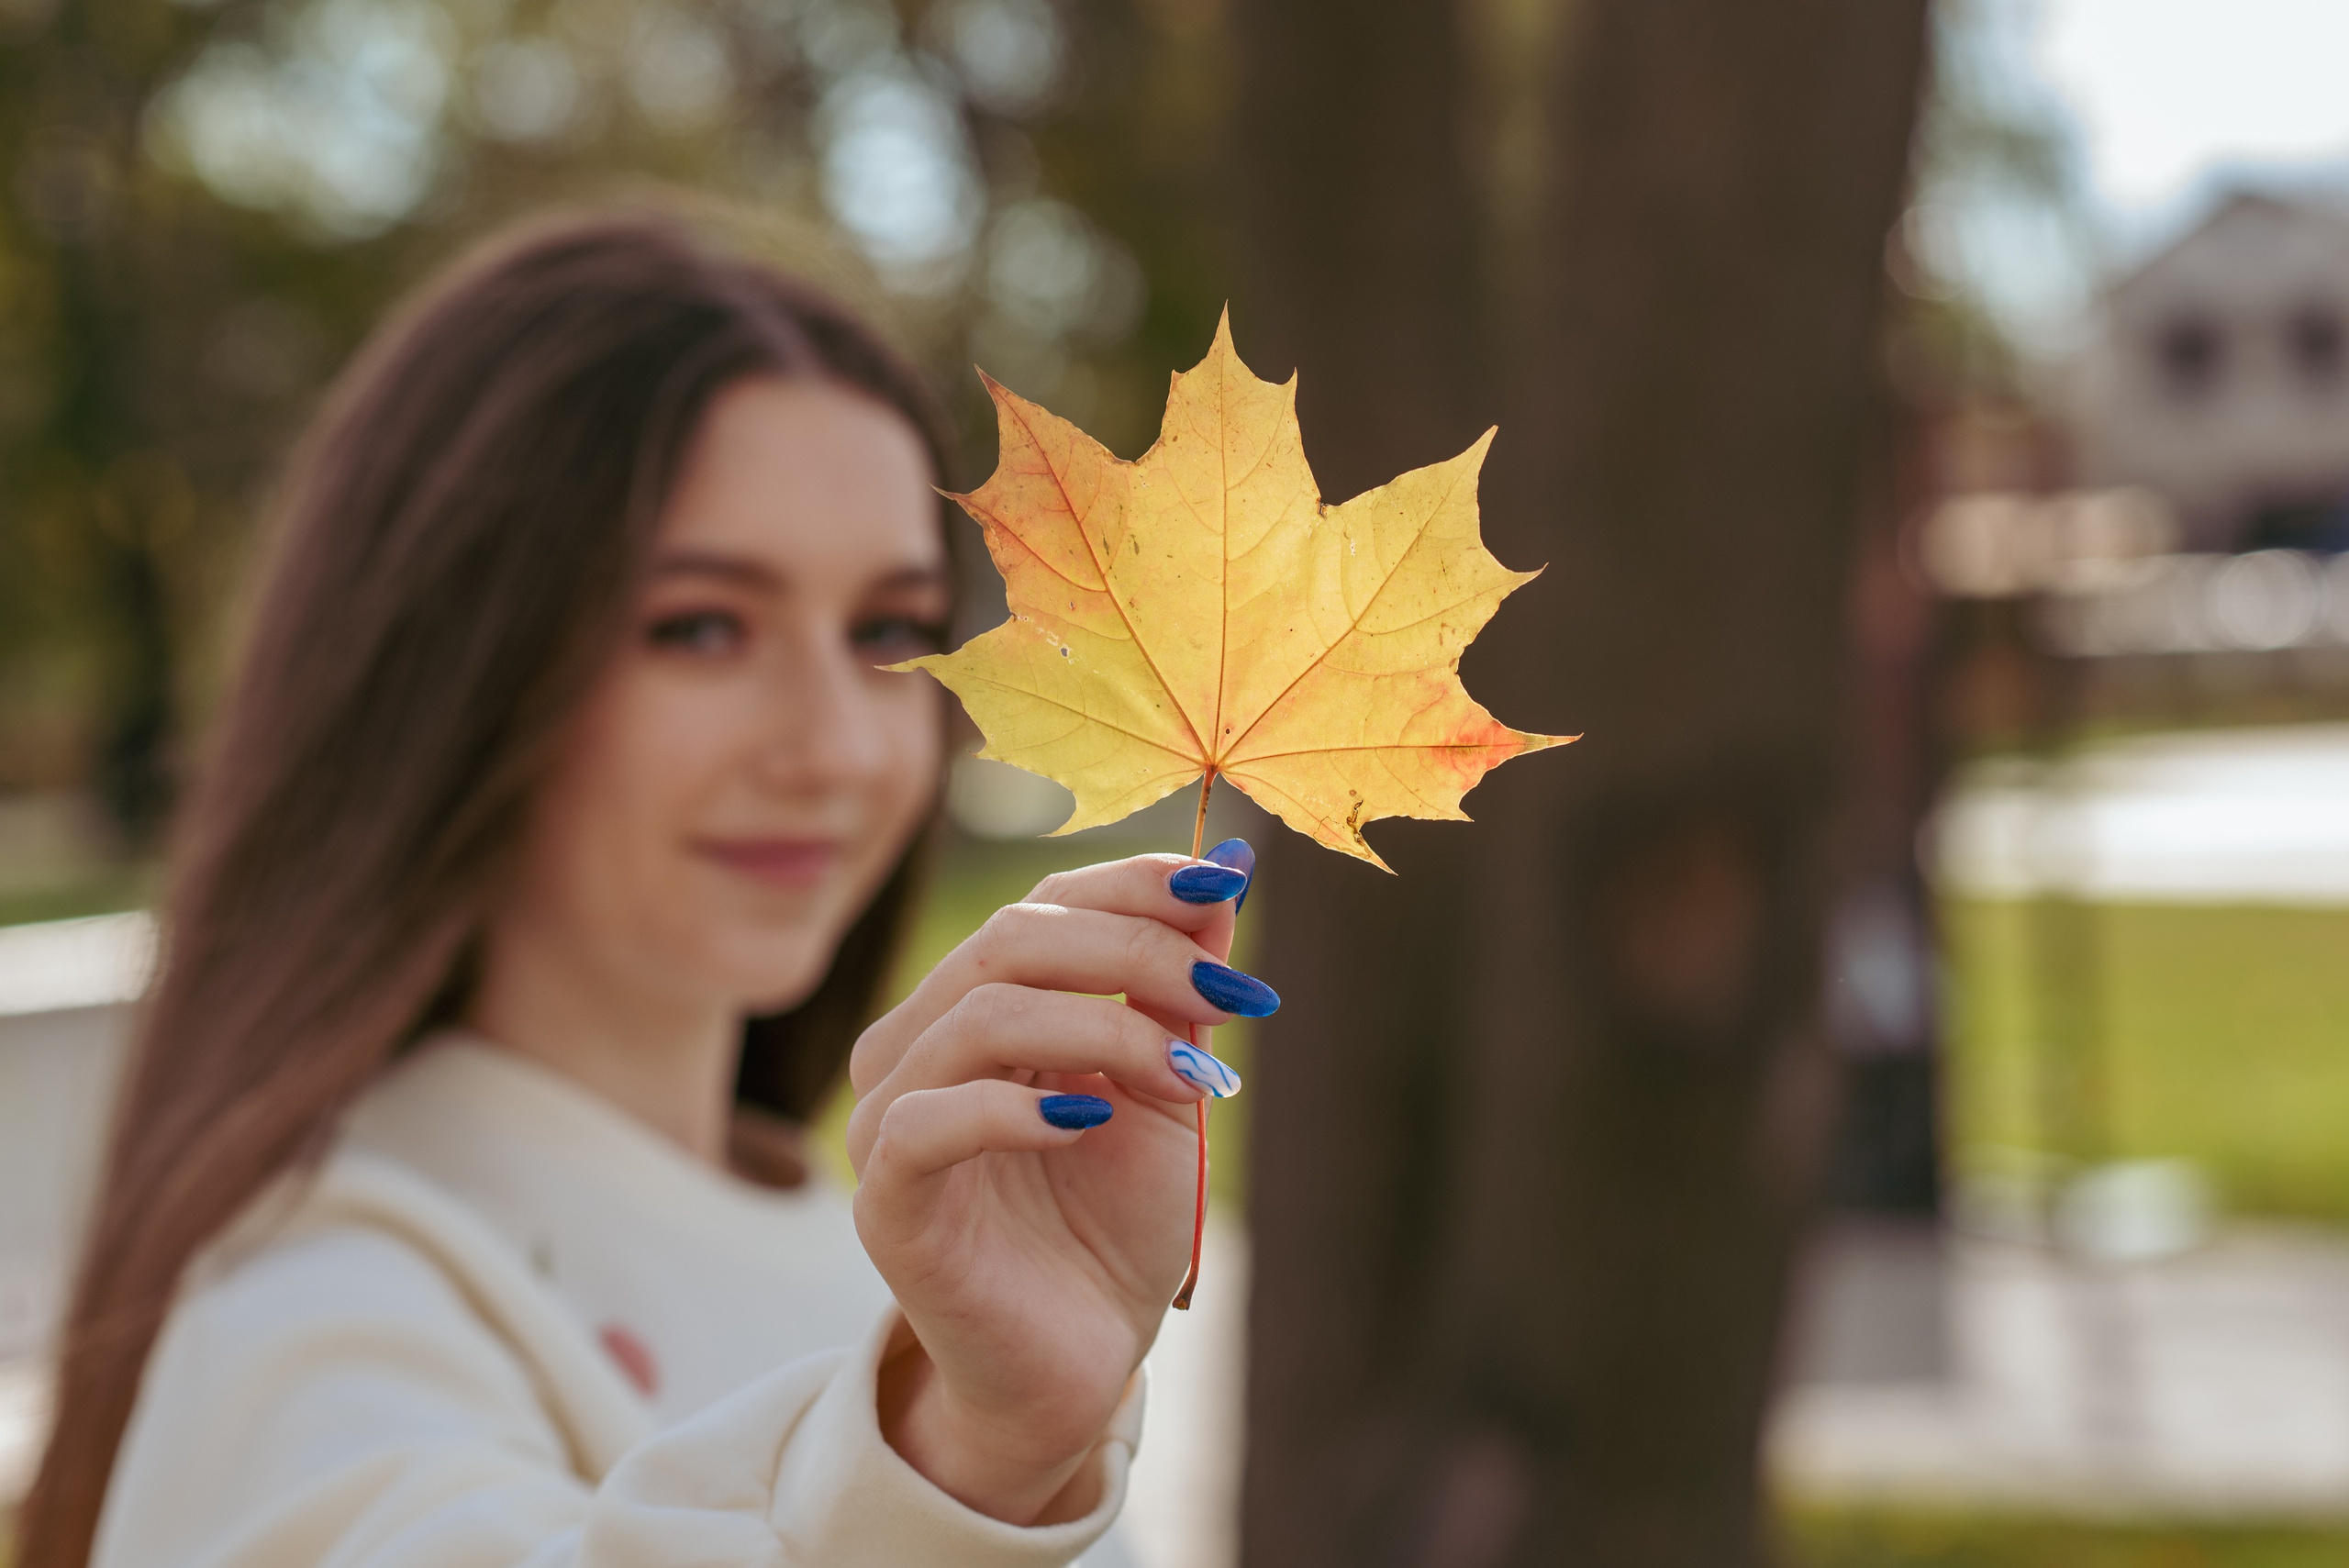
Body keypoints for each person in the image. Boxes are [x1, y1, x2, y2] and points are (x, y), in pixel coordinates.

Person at [17, 208, 1271, 1568]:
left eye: (887, 631)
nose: (838, 745)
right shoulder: (307, 1308)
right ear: (453, 664)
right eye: (702, 627)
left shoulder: (921, 1252)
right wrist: (952, 1466)